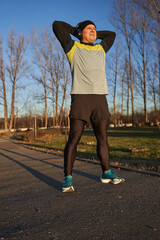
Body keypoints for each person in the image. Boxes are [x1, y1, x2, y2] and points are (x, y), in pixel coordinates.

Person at [52, 20, 125, 192]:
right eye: (89, 29)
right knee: (74, 138)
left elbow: (111, 35)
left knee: (103, 138)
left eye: (95, 28)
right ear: (80, 33)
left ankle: (106, 172)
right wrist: (77, 32)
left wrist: (92, 33)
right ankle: (67, 178)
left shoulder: (101, 49)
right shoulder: (72, 48)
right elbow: (57, 25)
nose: (94, 30)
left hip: (100, 98)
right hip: (81, 98)